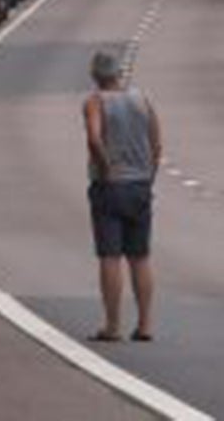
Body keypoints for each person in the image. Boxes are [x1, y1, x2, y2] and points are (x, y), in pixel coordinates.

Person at [83, 48, 162, 342]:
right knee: (140, 256)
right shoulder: (143, 100)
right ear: (119, 74)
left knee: (110, 256)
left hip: (110, 188)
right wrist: (149, 175)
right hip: (140, 186)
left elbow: (93, 136)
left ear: (95, 76)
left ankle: (113, 325)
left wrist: (106, 168)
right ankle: (145, 324)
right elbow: (157, 143)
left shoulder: (95, 102)